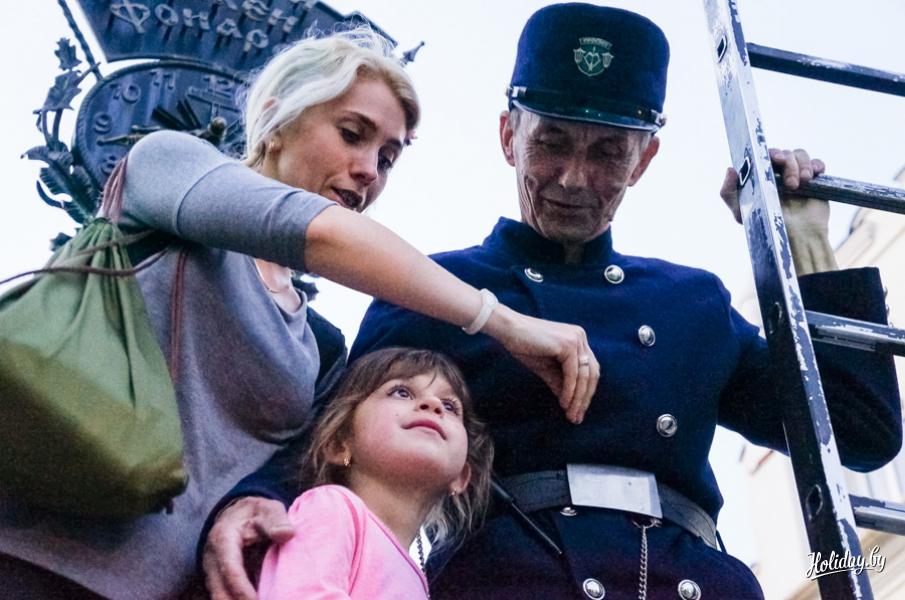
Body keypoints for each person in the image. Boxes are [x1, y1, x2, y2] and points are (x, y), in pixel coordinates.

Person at [200, 5, 901, 600]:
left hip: (689, 581)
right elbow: (332, 438)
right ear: (509, 137)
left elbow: (858, 433)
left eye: (608, 153)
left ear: (645, 160)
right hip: (509, 580)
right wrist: (254, 502)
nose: (572, 178)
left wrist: (804, 243)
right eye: (552, 143)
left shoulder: (690, 302)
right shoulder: (433, 289)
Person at [0, 27, 600, 599]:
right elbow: (320, 233)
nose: (369, 169)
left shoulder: (321, 348)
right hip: (26, 549)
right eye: (352, 133)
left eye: (388, 157)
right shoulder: (167, 166)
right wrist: (502, 321)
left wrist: (252, 504)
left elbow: (291, 472)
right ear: (277, 118)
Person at [257, 347, 493, 599]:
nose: (434, 405)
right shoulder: (331, 507)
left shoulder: (420, 580)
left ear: (460, 478)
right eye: (401, 392)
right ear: (339, 444)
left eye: (450, 406)